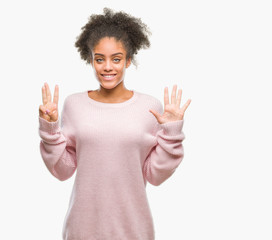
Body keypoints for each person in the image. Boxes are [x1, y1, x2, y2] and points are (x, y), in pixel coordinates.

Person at [38, 7, 191, 240]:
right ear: (91, 60)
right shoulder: (74, 104)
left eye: (116, 59)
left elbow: (155, 176)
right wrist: (50, 129)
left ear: (128, 60)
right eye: (100, 59)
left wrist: (171, 133)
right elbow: (62, 170)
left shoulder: (149, 107)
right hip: (82, 230)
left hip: (133, 230)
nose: (108, 67)